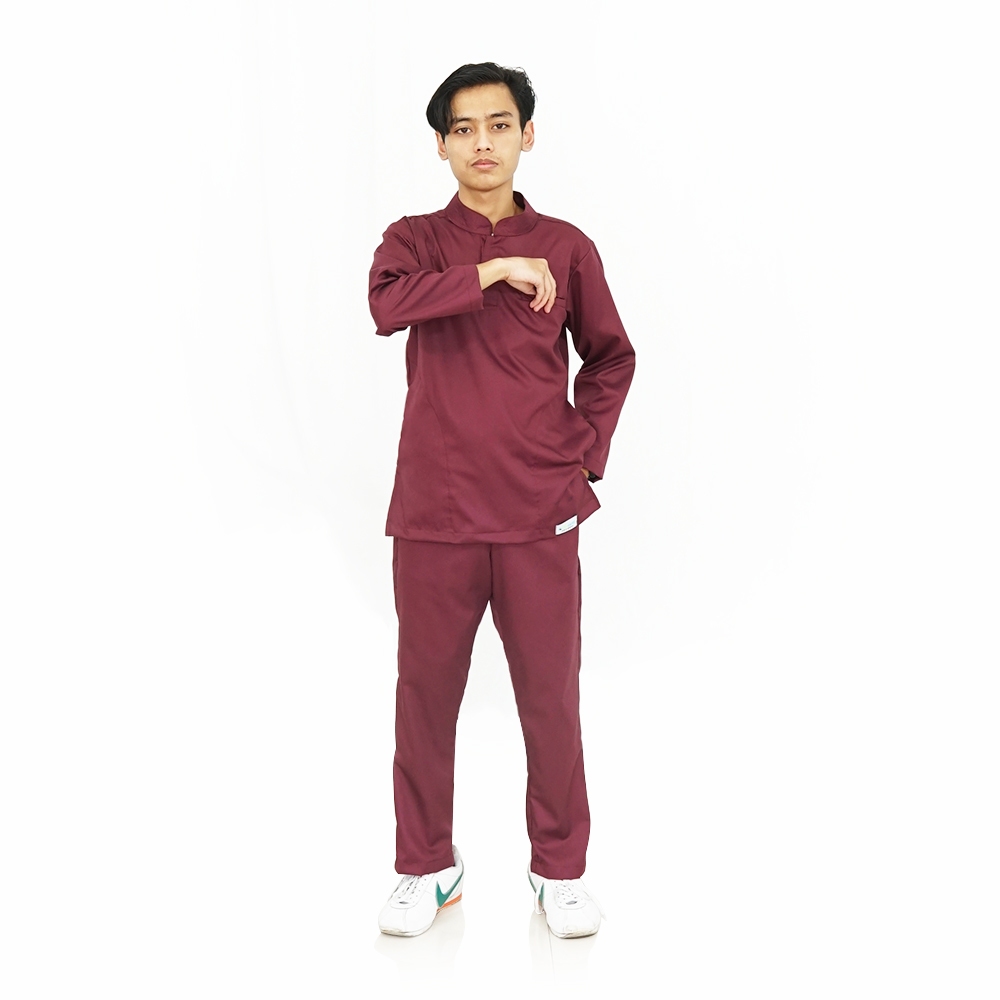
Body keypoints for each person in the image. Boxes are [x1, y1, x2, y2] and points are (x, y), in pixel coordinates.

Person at [368, 62, 635, 939]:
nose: (482, 142)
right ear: (441, 144)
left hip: (537, 512)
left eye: (499, 124)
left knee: (550, 700)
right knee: (424, 698)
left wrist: (583, 455)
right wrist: (490, 272)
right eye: (464, 128)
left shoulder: (568, 247)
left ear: (527, 134)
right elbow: (387, 306)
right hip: (434, 514)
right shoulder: (412, 239)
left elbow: (611, 356)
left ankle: (560, 872)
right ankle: (426, 867)